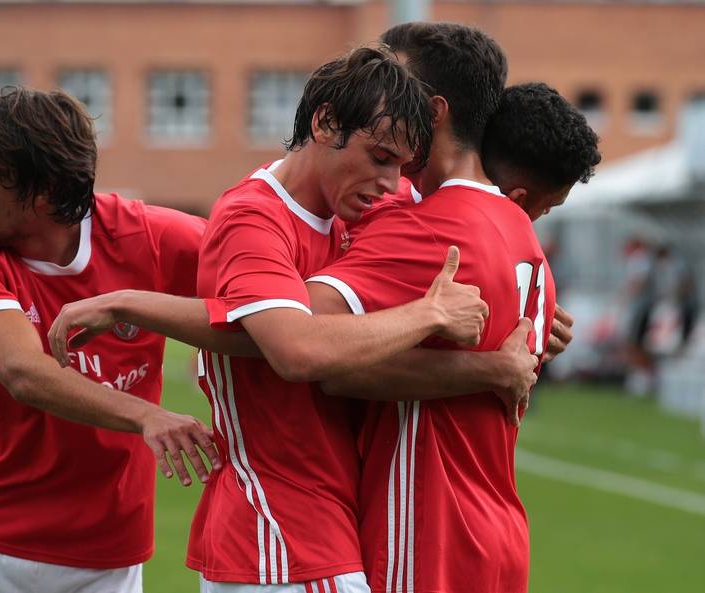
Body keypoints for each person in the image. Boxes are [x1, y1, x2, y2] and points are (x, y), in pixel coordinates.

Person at [54, 46, 489, 592]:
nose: (391, 183)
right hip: (278, 534)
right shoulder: (252, 219)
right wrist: (428, 314)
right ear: (326, 122)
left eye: (402, 166)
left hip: (332, 528)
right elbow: (295, 350)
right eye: (379, 157)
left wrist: (531, 301)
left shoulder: (371, 206)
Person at [307, 26, 602, 593]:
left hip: (429, 538)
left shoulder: (424, 228)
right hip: (499, 537)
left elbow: (308, 343)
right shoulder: (524, 232)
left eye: (392, 84)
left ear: (433, 111)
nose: (375, 96)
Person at [0, 88, 221, 593]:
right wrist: (147, 416)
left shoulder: (151, 237)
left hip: (106, 555)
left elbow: (269, 295)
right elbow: (23, 371)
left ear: (44, 190)